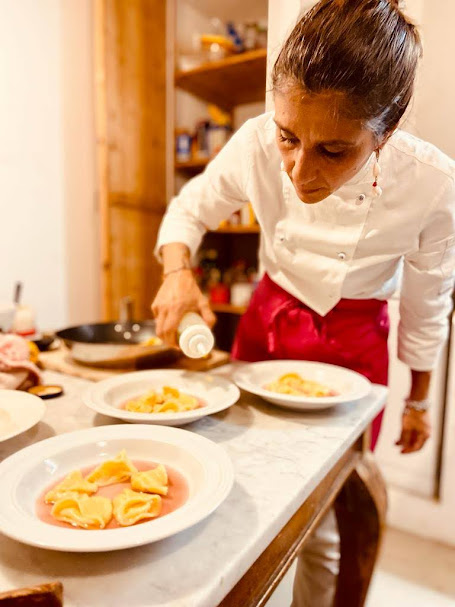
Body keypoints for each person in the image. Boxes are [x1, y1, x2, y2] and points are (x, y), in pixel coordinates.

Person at [152, 0, 455, 604]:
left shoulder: (432, 184)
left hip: (355, 351)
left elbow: (428, 303)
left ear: (386, 130)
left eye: (333, 151)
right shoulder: (254, 143)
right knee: (236, 491)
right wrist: (177, 270)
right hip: (267, 328)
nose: (297, 171)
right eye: (289, 138)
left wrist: (419, 400)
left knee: (326, 526)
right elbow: (190, 209)